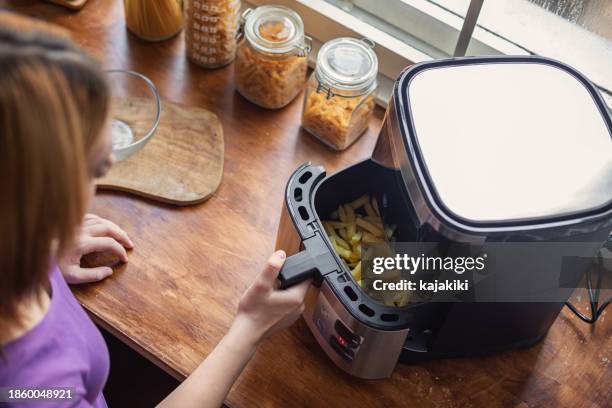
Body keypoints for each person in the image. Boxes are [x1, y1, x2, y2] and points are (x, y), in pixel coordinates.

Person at [0, 12, 310, 408]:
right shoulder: (32, 388)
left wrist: (40, 253)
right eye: (96, 166)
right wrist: (249, 328)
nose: (111, 160)